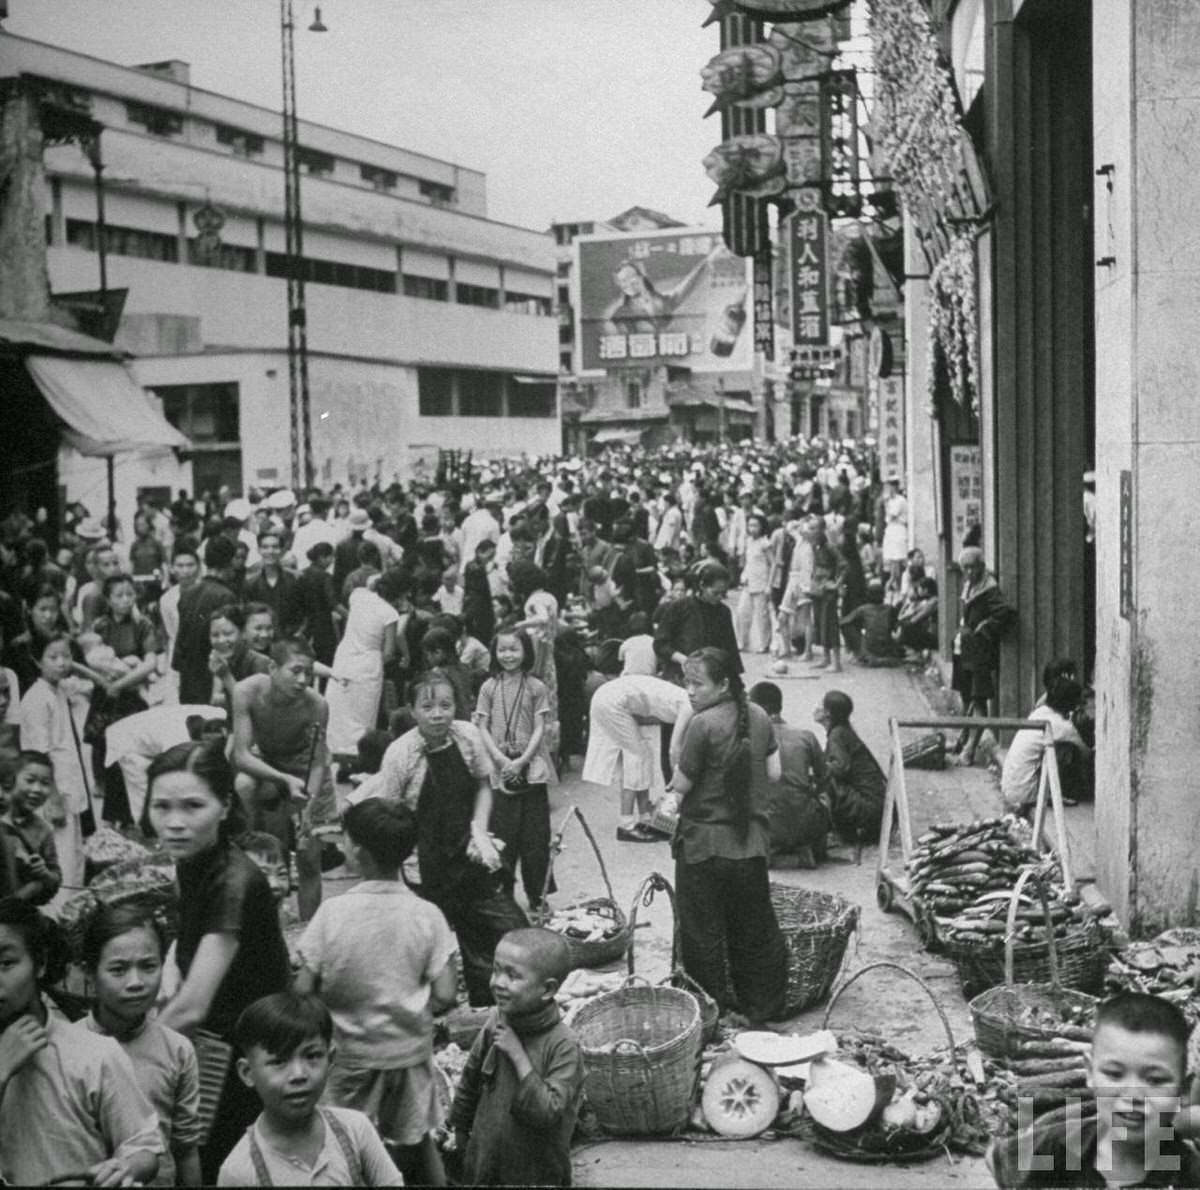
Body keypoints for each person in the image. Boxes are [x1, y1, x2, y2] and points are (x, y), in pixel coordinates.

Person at [148, 739, 291, 1182]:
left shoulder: (232, 881)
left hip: (241, 1054)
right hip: (218, 1042)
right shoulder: (196, 861)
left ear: (226, 805)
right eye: (161, 807)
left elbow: (193, 1005)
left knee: (221, 1166)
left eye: (193, 806)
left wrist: (113, 1059)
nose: (174, 823)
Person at [295, 799, 457, 1186]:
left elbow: (303, 989)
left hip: (349, 1055)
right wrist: (411, 1010)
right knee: (416, 1140)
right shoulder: (427, 914)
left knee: (342, 1143)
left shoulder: (333, 912)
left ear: (356, 850)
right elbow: (447, 993)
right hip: (408, 1053)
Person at [352, 669, 528, 1005]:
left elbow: (483, 785)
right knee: (420, 948)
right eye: (428, 706)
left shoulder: (467, 737)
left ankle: (487, 1008)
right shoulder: (401, 754)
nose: (438, 714)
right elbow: (389, 815)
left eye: (445, 705)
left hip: (469, 853)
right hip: (424, 863)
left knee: (507, 931)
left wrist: (479, 831)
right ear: (412, 710)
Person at [0, 899, 164, 1187]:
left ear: (40, 964)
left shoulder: (92, 1053)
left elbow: (143, 1146)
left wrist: (125, 1167)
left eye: (6, 963)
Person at [667, 647, 788, 1024]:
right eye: (686, 682)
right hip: (750, 846)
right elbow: (774, 774)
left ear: (722, 684)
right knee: (753, 930)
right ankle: (762, 1009)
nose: (689, 690)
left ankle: (709, 1012)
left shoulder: (702, 725)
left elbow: (681, 786)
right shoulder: (760, 717)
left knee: (702, 934)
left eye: (696, 683)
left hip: (703, 849)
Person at [988, 992, 1200, 1189]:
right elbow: (998, 1159)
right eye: (1114, 1074)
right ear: (1090, 1072)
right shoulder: (1057, 1147)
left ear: (1182, 1088)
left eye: (1155, 1080)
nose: (1133, 1095)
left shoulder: (1189, 1176)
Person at [217, 993, 404, 1187]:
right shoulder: (240, 1172)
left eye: (312, 1056)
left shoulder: (355, 1130)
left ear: (330, 1058)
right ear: (247, 1073)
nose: (299, 1074)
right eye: (279, 1061)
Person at [449, 928, 585, 1188]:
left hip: (535, 1172)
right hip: (484, 1159)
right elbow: (470, 1079)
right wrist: (460, 1130)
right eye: (496, 970)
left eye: (513, 976)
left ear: (548, 989)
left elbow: (548, 1113)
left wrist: (517, 1055)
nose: (498, 982)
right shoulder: (495, 1023)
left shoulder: (564, 1045)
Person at [79, 903, 203, 1187]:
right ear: (89, 973)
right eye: (118, 969)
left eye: (148, 966)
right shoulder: (65, 1049)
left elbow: (185, 1149)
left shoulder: (177, 1050)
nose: (136, 982)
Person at [231, 636, 332, 921]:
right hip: (269, 767)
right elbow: (241, 755)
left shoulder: (317, 706)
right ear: (273, 668)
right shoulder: (247, 691)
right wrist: (283, 779)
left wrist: (307, 809)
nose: (303, 680)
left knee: (309, 855)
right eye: (296, 671)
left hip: (307, 769)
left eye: (309, 673)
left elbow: (317, 762)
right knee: (244, 785)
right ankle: (251, 844)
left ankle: (309, 931)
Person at [473, 628, 553, 910]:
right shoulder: (488, 687)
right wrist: (501, 760)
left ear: (526, 652)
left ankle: (537, 895)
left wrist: (521, 760)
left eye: (514, 649)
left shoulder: (536, 687)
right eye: (502, 650)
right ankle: (502, 894)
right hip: (499, 768)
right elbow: (481, 726)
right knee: (502, 835)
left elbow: (540, 726)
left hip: (531, 767)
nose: (508, 655)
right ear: (494, 652)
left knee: (536, 836)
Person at [19, 631, 92, 894]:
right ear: (37, 661)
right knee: (61, 860)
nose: (61, 663)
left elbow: (95, 683)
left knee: (74, 856)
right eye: (53, 657)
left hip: (68, 787)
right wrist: (54, 799)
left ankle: (74, 917)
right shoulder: (37, 699)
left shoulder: (58, 689)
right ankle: (60, 919)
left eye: (66, 656)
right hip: (54, 792)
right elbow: (39, 755)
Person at [582, 672, 691, 843]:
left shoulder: (685, 699)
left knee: (641, 756)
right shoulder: (690, 706)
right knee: (637, 756)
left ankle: (645, 818)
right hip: (611, 702)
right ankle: (626, 826)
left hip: (608, 698)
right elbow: (674, 749)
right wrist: (675, 784)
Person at [748, 681, 831, 867]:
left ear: (762, 709)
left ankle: (770, 849)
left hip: (767, 824)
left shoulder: (749, 739)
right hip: (805, 825)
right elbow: (825, 778)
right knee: (823, 798)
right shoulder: (806, 736)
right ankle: (806, 847)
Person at [325, 568, 406, 757]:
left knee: (340, 709)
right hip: (369, 663)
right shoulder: (390, 613)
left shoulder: (358, 596)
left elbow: (370, 581)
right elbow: (389, 652)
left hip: (345, 657)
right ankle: (357, 754)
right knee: (363, 715)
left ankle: (335, 750)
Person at [951, 546, 1016, 765]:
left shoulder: (990, 587)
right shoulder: (968, 585)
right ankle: (964, 740)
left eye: (973, 567)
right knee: (966, 696)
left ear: (981, 566)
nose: (969, 572)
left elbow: (1004, 612)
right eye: (965, 568)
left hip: (979, 651)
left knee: (978, 699)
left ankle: (969, 750)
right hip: (964, 648)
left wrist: (983, 628)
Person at [1000, 678, 1092, 817]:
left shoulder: (1040, 711)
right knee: (1068, 751)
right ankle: (1057, 793)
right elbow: (1086, 754)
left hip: (1010, 788)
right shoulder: (1061, 725)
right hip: (1027, 792)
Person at [814, 689, 887, 853]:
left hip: (869, 809)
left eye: (819, 705)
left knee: (823, 779)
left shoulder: (837, 734)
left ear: (827, 713)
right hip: (876, 807)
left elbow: (840, 768)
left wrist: (814, 766)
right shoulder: (843, 730)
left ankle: (829, 830)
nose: (815, 708)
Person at [174, 536, 238, 706]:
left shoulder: (187, 593)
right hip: (213, 676)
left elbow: (180, 639)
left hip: (188, 677)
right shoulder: (226, 596)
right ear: (230, 562)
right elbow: (226, 644)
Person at [653, 561, 742, 684]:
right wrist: (683, 660)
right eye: (715, 593)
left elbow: (730, 650)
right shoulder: (679, 607)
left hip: (711, 678)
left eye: (723, 593)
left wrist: (736, 683)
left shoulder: (723, 612)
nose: (720, 597)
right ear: (702, 586)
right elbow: (660, 644)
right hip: (679, 675)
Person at [0, 750, 61, 904]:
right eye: (30, 780)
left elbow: (55, 878)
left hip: (17, 911)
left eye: (45, 783)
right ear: (11, 781)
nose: (37, 789)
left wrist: (44, 874)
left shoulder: (43, 830)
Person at [208, 604, 272, 714]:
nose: (221, 640)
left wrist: (226, 676)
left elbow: (255, 711)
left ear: (243, 633)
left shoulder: (259, 662)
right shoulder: (223, 660)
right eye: (215, 635)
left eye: (228, 634)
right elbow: (214, 701)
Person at [243, 530, 302, 639]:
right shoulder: (250, 583)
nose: (270, 551)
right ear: (259, 550)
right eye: (265, 547)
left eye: (275, 547)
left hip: (289, 640)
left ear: (282, 550)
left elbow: (303, 613)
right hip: (261, 640)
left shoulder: (295, 580)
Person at [808, 521, 846, 672]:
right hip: (817, 589)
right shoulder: (815, 546)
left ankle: (836, 662)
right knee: (820, 623)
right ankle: (826, 657)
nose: (811, 531)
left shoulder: (830, 547)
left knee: (830, 624)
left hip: (828, 591)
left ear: (822, 530)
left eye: (813, 528)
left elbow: (843, 565)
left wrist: (837, 584)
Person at [296, 542, 340, 668]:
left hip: (305, 624)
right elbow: (333, 602)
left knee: (305, 662)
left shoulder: (301, 574)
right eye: (330, 557)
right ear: (322, 558)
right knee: (326, 663)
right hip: (323, 625)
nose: (332, 561)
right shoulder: (325, 577)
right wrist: (349, 615)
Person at [735, 513, 773, 653]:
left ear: (762, 527)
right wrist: (743, 574)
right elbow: (748, 561)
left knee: (762, 615)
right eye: (750, 525)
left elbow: (772, 563)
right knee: (742, 612)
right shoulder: (748, 541)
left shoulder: (765, 543)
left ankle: (765, 643)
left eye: (755, 525)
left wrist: (769, 584)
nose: (752, 528)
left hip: (761, 582)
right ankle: (742, 642)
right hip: (748, 581)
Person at [618, 610, 657, 676]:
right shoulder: (654, 642)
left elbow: (621, 660)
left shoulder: (626, 643)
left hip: (628, 677)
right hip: (649, 678)